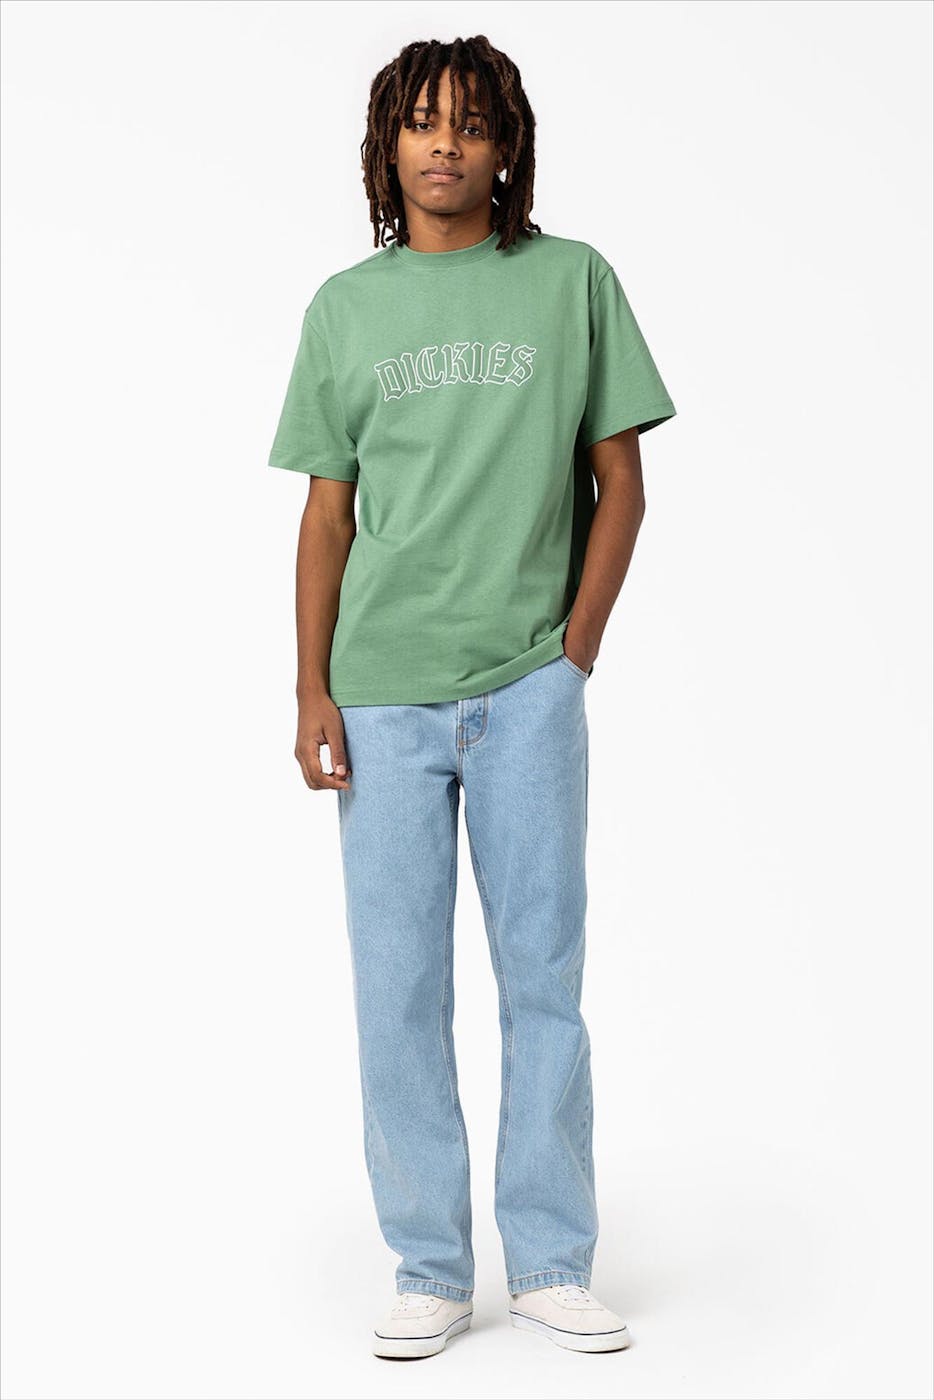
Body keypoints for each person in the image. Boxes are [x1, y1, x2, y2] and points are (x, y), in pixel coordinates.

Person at [268, 34, 677, 1360]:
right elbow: (327, 516)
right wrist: (311, 686)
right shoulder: (344, 308)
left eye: (471, 124)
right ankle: (430, 1267)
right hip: (380, 695)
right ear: (386, 146)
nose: (445, 145)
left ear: (508, 147)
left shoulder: (572, 282)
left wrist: (575, 650)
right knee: (397, 990)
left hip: (526, 687)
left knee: (542, 979)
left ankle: (550, 1259)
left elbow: (621, 485)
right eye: (422, 122)